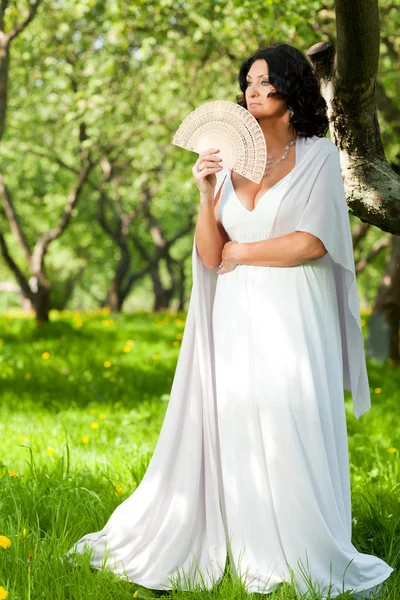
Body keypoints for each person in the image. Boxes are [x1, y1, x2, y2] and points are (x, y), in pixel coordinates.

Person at [65, 43, 394, 599]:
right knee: (239, 419)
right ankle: (241, 542)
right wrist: (204, 194)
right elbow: (212, 253)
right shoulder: (229, 160)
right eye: (248, 81)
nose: (254, 89)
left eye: (266, 81)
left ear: (293, 88)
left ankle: (299, 548)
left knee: (290, 419)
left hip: (295, 313)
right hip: (236, 314)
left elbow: (314, 243)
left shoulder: (318, 156)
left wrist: (245, 254)